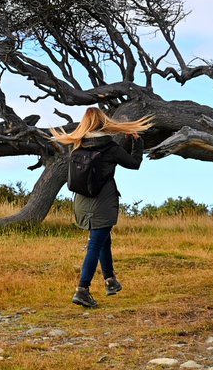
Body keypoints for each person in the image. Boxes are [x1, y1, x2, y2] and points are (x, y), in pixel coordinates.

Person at [50, 108, 154, 308]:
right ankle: (82, 289)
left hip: (81, 203)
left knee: (103, 239)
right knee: (95, 245)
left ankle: (110, 280)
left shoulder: (77, 147)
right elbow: (134, 164)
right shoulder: (110, 147)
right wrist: (137, 142)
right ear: (103, 123)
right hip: (103, 202)